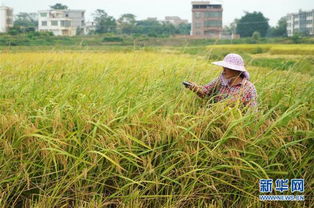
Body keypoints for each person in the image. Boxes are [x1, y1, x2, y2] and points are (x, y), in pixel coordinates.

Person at [185, 53, 258, 109]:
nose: (224, 69)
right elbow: (205, 93)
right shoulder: (219, 81)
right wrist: (195, 88)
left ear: (236, 70)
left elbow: (252, 112)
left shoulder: (248, 88)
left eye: (227, 67)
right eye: (224, 66)